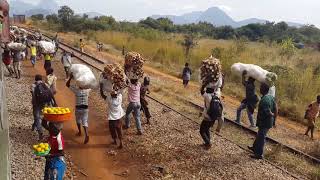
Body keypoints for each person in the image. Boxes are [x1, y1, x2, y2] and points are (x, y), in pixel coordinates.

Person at [248, 83, 277, 159]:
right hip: (267, 122)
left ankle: (259, 154)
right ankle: (254, 148)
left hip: (264, 122)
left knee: (261, 137)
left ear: (263, 89)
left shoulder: (264, 100)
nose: (259, 88)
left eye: (261, 87)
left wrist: (272, 115)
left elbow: (268, 112)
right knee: (259, 135)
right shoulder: (270, 97)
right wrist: (274, 119)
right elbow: (276, 108)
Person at [66, 74, 91, 144]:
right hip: (85, 108)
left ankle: (80, 132)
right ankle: (86, 134)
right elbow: (91, 85)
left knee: (78, 120)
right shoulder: (87, 90)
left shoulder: (76, 90)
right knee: (85, 121)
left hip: (78, 108)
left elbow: (67, 84)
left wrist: (70, 77)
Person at [31, 74, 56, 140]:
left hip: (36, 104)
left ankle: (40, 132)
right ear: (41, 79)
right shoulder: (45, 85)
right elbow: (51, 93)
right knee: (42, 116)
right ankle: (34, 126)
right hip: (45, 103)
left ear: (35, 79)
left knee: (36, 116)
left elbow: (33, 95)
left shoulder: (33, 85)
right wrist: (55, 103)